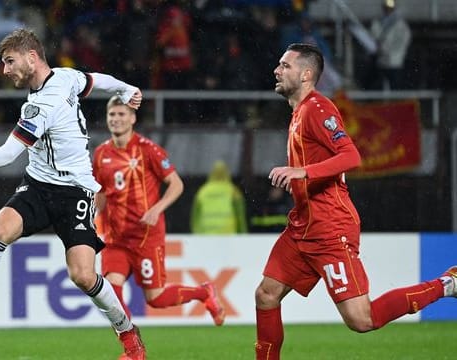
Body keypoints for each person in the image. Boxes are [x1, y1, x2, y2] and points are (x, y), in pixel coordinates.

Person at [0, 29, 146, 360]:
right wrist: (124, 87)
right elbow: (95, 80)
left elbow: (6, 155)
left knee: (83, 276)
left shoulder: (42, 106)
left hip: (74, 190)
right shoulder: (65, 76)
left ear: (32, 58)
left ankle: (127, 332)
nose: (4, 70)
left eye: (9, 61)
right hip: (38, 184)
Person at [254, 43, 457, 359]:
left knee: (362, 320)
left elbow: (350, 156)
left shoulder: (318, 110)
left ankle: (447, 284)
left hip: (330, 228)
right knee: (266, 295)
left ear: (306, 74)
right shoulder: (298, 113)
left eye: (285, 65)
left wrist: (301, 172)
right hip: (302, 226)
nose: (277, 70)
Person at [92, 96, 225, 358]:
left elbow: (176, 184)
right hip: (116, 239)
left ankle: (203, 292)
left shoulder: (148, 149)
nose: (116, 119)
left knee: (156, 298)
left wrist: (156, 209)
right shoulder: (101, 154)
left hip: (146, 237)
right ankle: (133, 350)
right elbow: (101, 194)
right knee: (111, 292)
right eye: (112, 115)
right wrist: (95, 219)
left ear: (132, 118)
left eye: (121, 114)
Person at [190, 160, 248, 234]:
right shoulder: (233, 191)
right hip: (228, 236)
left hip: (206, 236)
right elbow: (240, 219)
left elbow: (195, 219)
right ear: (227, 173)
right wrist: (244, 238)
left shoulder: (202, 192)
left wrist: (196, 236)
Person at [367, 0, 411, 89]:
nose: (388, 10)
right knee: (377, 85)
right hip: (380, 60)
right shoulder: (378, 22)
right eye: (386, 8)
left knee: (395, 85)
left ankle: (396, 101)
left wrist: (387, 51)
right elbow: (372, 36)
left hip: (393, 61)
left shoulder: (400, 25)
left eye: (390, 8)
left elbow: (402, 42)